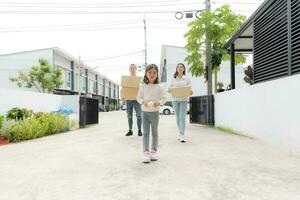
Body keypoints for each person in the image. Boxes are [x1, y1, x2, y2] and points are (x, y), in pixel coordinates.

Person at [137, 64, 166, 163]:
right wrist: (143, 102)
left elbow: (163, 98)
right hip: (145, 113)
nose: (152, 74)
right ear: (146, 73)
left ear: (157, 74)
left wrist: (159, 103)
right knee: (145, 133)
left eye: (154, 72)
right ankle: (146, 153)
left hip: (155, 113)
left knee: (154, 133)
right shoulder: (143, 86)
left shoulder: (159, 87)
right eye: (150, 72)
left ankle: (153, 152)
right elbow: (138, 97)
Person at [168, 63, 192, 143]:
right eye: (178, 67)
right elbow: (169, 89)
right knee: (178, 118)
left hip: (184, 100)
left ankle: (182, 135)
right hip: (175, 100)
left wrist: (190, 92)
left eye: (181, 67)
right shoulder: (173, 78)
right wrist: (172, 89)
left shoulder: (187, 78)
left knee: (182, 118)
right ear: (176, 69)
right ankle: (180, 132)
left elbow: (190, 89)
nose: (180, 68)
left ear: (184, 69)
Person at [125, 64, 142, 136]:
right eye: (131, 68)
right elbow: (124, 88)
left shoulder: (139, 79)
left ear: (136, 69)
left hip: (137, 99)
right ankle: (130, 130)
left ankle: (139, 130)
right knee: (129, 115)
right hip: (128, 99)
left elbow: (142, 88)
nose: (132, 69)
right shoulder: (126, 79)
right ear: (129, 69)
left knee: (139, 115)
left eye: (133, 68)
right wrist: (123, 96)